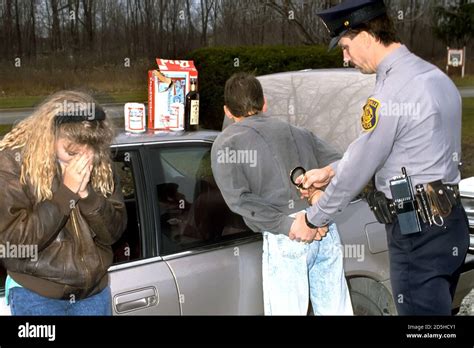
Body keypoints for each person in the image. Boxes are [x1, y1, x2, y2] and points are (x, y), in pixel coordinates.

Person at [294, 0, 470, 315]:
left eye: (345, 46)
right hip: (448, 225)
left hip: (416, 232)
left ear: (365, 35)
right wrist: (331, 171)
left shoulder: (391, 92)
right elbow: (400, 147)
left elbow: (360, 168)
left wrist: (313, 218)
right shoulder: (434, 77)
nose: (345, 58)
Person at [211, 72, 353, 315]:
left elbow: (240, 201)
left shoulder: (226, 144)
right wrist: (318, 196)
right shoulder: (298, 131)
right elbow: (345, 165)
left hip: (287, 238)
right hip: (325, 230)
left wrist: (288, 225)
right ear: (264, 103)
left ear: (227, 110)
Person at [0, 90, 127, 315]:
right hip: (37, 296)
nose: (83, 158)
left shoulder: (101, 165)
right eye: (71, 151)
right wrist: (66, 193)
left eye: (91, 150)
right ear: (49, 135)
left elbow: (113, 233)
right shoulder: (13, 164)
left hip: (93, 294)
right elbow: (13, 243)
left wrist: (88, 195)